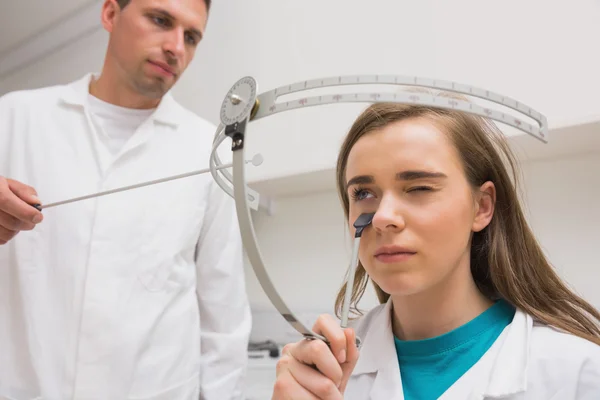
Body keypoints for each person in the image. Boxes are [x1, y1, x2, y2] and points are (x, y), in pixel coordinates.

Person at [0, 0, 252, 399]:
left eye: (191, 36)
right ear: (110, 14)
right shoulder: (13, 118)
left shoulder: (209, 152)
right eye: (160, 20)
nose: (176, 47)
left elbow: (224, 321)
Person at [271, 95, 600, 399]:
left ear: (482, 207)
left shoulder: (577, 372)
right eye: (363, 194)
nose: (383, 217)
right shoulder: (314, 371)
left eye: (417, 188)